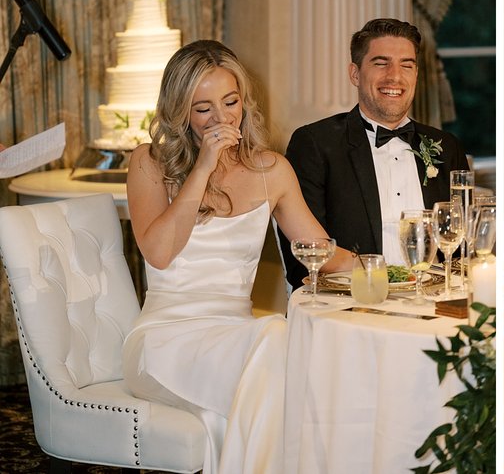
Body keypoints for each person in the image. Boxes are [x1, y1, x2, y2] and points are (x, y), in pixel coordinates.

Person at [121, 40, 350, 474]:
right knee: (278, 342)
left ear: (244, 102)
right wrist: (204, 166)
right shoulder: (149, 164)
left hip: (239, 340)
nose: (222, 117)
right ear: (181, 111)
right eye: (203, 107)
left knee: (273, 350)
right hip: (164, 341)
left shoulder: (272, 170)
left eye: (231, 101)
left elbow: (319, 252)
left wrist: (392, 272)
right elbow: (160, 253)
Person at [280, 17, 469, 290]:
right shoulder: (315, 144)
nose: (395, 76)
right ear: (355, 74)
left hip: (435, 302)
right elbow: (301, 256)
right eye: (381, 63)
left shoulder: (446, 145)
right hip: (353, 302)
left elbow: (464, 249)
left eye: (407, 65)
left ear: (416, 75)